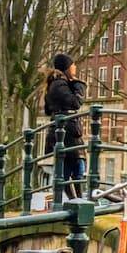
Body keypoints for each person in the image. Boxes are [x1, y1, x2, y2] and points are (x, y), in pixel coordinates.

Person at [44, 53, 87, 196]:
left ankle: (76, 201)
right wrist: (79, 85)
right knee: (77, 168)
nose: (75, 67)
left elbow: (47, 109)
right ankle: (78, 201)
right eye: (72, 64)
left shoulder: (56, 83)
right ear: (67, 67)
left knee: (69, 169)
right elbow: (75, 103)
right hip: (68, 133)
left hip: (65, 132)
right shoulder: (59, 84)